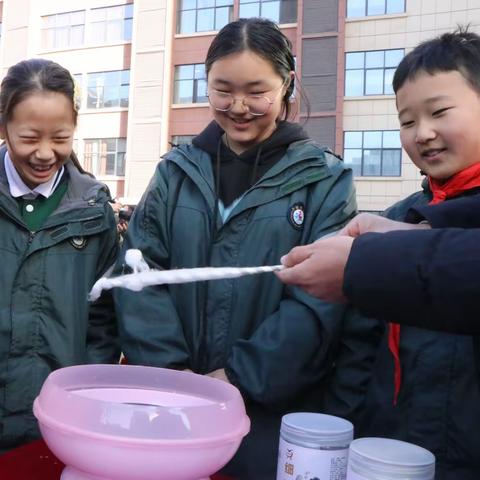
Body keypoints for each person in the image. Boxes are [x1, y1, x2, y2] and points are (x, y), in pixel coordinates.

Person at [114, 18, 359, 479]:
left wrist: (235, 380)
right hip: (173, 408)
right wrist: (177, 377)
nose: (239, 107)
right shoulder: (175, 172)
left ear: (286, 84)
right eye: (223, 90)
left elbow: (318, 301)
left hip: (271, 414)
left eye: (257, 91)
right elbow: (138, 271)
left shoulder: (326, 181)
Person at [280, 29, 480, 479]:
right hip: (385, 454)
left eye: (440, 112)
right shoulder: (395, 219)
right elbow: (358, 353)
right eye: (407, 121)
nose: (423, 134)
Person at [0, 59, 119, 452]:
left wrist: (83, 393)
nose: (45, 154)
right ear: (4, 128)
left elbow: (104, 318)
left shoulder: (93, 211)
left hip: (56, 419)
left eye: (60, 138)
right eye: (30, 138)